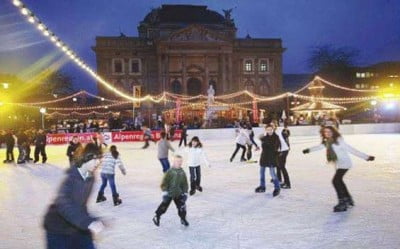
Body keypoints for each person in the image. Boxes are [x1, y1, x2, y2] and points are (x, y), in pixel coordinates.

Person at [43, 143, 105, 249]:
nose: (98, 162)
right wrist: (87, 222)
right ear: (87, 157)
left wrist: (93, 220)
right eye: (96, 159)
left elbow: (81, 205)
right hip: (57, 228)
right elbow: (63, 204)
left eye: (100, 159)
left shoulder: (90, 177)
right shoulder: (70, 178)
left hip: (77, 226)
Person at [302, 126, 375, 212]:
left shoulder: (339, 141)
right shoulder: (327, 142)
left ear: (333, 132)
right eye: (326, 132)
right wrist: (309, 150)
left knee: (336, 181)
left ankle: (343, 202)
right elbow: (319, 147)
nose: (327, 133)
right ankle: (348, 198)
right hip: (339, 165)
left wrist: (366, 157)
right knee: (339, 181)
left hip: (345, 164)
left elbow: (352, 150)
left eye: (329, 131)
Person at [152, 154, 189, 227]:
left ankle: (183, 219)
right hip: (169, 193)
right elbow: (164, 183)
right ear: (174, 162)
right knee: (164, 206)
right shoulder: (169, 172)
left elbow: (185, 183)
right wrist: (165, 192)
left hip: (178, 193)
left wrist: (185, 192)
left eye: (180, 161)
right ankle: (157, 216)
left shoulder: (182, 172)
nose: (179, 163)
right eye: (177, 161)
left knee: (182, 207)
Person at [255, 124, 281, 197]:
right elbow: (263, 147)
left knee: (272, 174)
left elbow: (274, 147)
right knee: (261, 173)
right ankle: (262, 186)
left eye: (270, 129)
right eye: (268, 129)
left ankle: (277, 188)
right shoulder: (265, 137)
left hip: (272, 158)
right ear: (266, 130)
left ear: (273, 129)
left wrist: (264, 140)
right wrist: (262, 139)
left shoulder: (276, 137)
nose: (269, 131)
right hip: (264, 157)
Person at [271, 121, 291, 189]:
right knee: (278, 165)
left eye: (273, 125)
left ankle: (288, 184)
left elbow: (286, 135)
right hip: (280, 150)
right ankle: (279, 179)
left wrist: (286, 131)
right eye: (271, 125)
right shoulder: (274, 132)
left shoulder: (279, 131)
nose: (272, 126)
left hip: (284, 150)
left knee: (282, 166)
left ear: (276, 125)